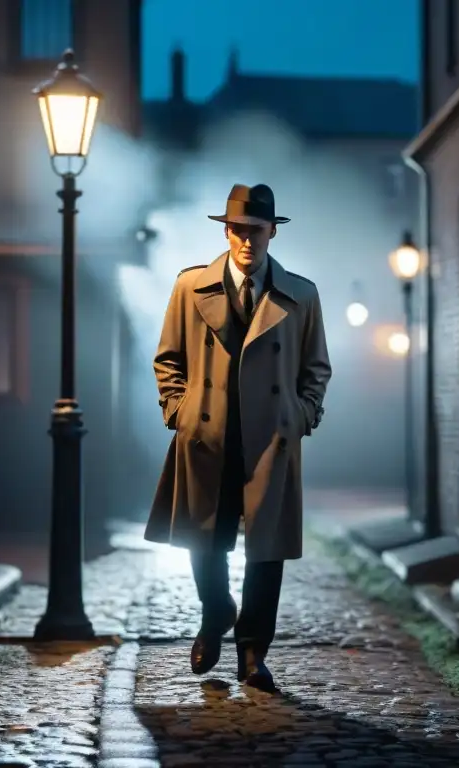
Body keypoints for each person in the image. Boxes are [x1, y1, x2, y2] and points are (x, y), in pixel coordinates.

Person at [144, 183, 332, 692]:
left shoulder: (301, 294)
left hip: (271, 436)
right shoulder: (190, 288)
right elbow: (168, 360)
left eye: (256, 230)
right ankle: (215, 612)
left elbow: (316, 367)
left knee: (266, 551)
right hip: (207, 432)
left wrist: (302, 415)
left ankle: (253, 652)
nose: (246, 240)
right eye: (238, 230)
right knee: (203, 539)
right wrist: (178, 411)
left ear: (272, 231)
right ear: (227, 231)